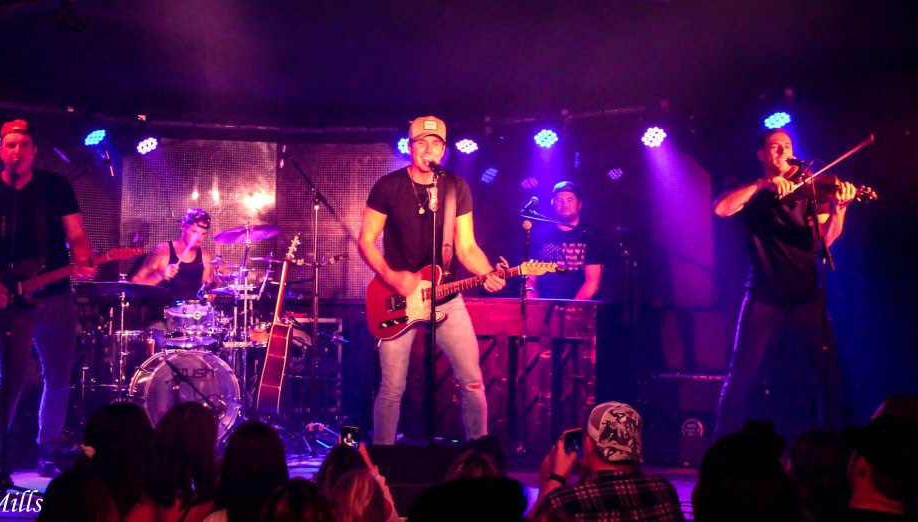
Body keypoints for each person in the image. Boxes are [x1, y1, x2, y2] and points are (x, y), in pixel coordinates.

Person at [358, 115, 507, 445]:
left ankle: (479, 455)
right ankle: (383, 458)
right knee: (392, 387)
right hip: (399, 298)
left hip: (447, 299)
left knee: (472, 382)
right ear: (410, 148)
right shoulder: (388, 186)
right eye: (421, 143)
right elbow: (366, 240)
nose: (428, 150)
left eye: (435, 144)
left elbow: (466, 246)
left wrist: (486, 273)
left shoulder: (456, 188)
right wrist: (393, 277)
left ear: (444, 150)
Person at [0, 119, 95, 485]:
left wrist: (83, 256)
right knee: (12, 379)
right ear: (0, 151)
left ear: (34, 151)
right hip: (9, 296)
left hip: (54, 293)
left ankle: (48, 452)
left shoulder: (55, 187)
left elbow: (76, 234)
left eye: (24, 144)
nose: (17, 151)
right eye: (10, 144)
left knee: (59, 376)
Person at [713, 128, 856, 440]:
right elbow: (721, 208)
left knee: (825, 376)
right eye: (774, 147)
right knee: (740, 377)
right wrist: (761, 185)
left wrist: (840, 210)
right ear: (761, 155)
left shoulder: (812, 188)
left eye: (787, 146)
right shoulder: (754, 192)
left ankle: (835, 446)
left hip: (806, 296)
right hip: (763, 296)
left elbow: (821, 243)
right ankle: (720, 446)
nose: (782, 152)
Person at [532, 401, 685, 521]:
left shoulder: (562, 503)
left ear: (589, 444)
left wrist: (555, 479)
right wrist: (587, 474)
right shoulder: (664, 490)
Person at [527, 181, 605, 300]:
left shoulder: (591, 235)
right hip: (544, 304)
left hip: (578, 305)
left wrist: (572, 308)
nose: (564, 205)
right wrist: (535, 306)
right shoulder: (540, 236)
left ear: (579, 204)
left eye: (570, 200)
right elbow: (529, 278)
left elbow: (592, 281)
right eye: (559, 200)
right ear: (553, 203)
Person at [129, 208, 213, 301]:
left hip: (193, 310)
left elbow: (206, 295)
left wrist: (218, 280)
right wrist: (159, 276)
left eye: (203, 234)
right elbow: (134, 284)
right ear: (183, 227)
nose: (199, 238)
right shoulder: (162, 251)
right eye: (195, 232)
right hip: (163, 309)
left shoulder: (205, 256)